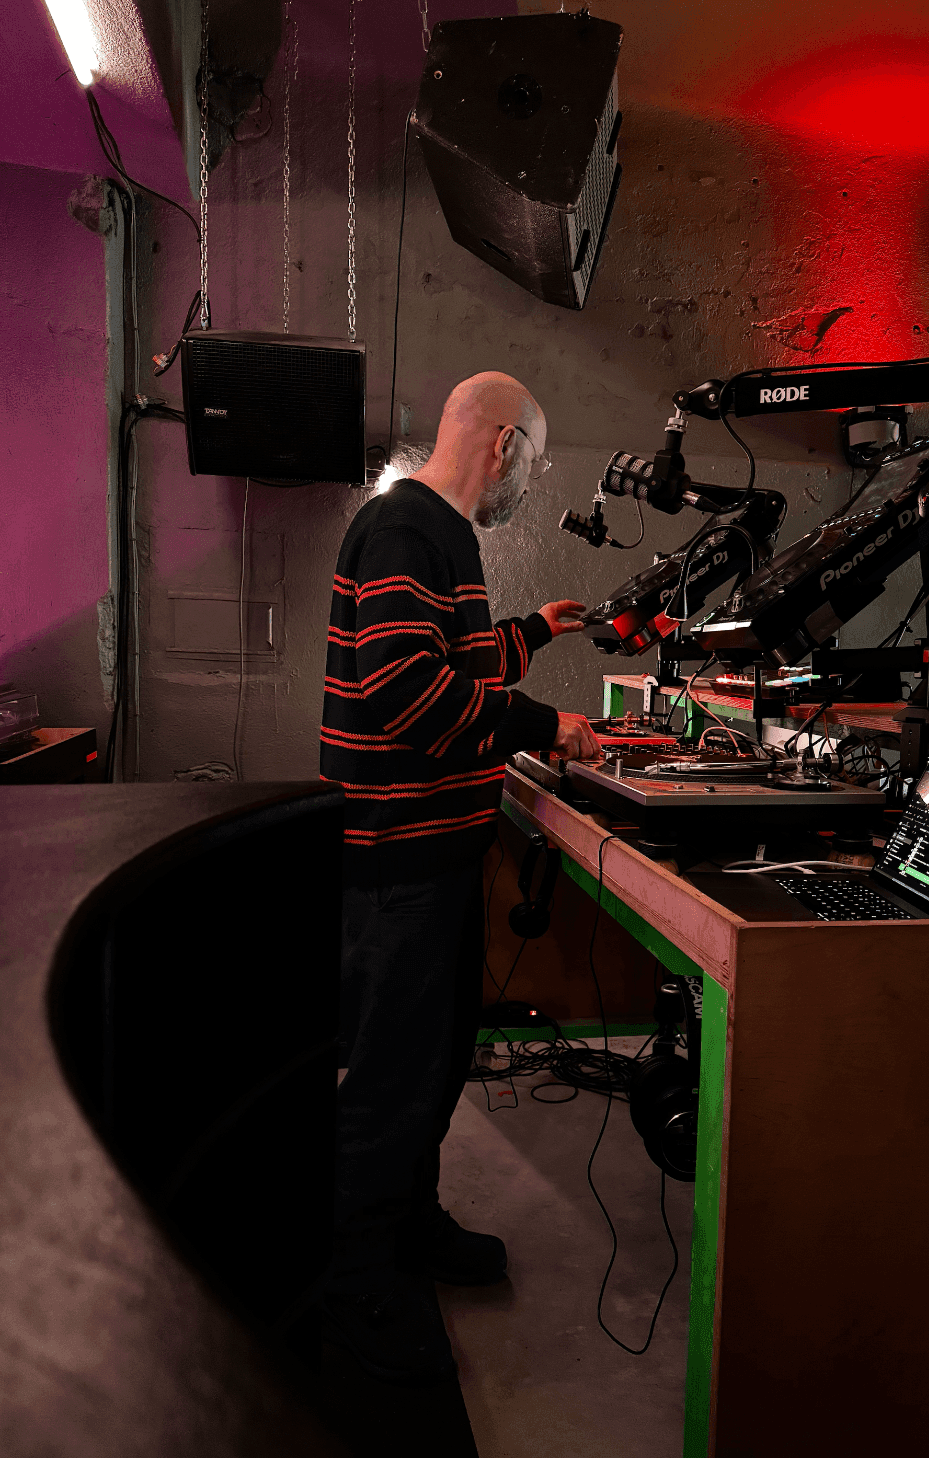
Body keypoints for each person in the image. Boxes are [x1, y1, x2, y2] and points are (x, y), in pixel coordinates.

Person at [319, 371, 601, 1384]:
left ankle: (409, 1223)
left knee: (434, 1066)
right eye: (533, 459)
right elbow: (405, 691)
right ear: (504, 444)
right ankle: (356, 1288)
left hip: (431, 856)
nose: (528, 479)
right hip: (397, 862)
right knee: (391, 1079)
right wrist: (547, 726)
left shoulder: (436, 534)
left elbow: (453, 659)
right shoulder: (407, 528)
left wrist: (535, 631)